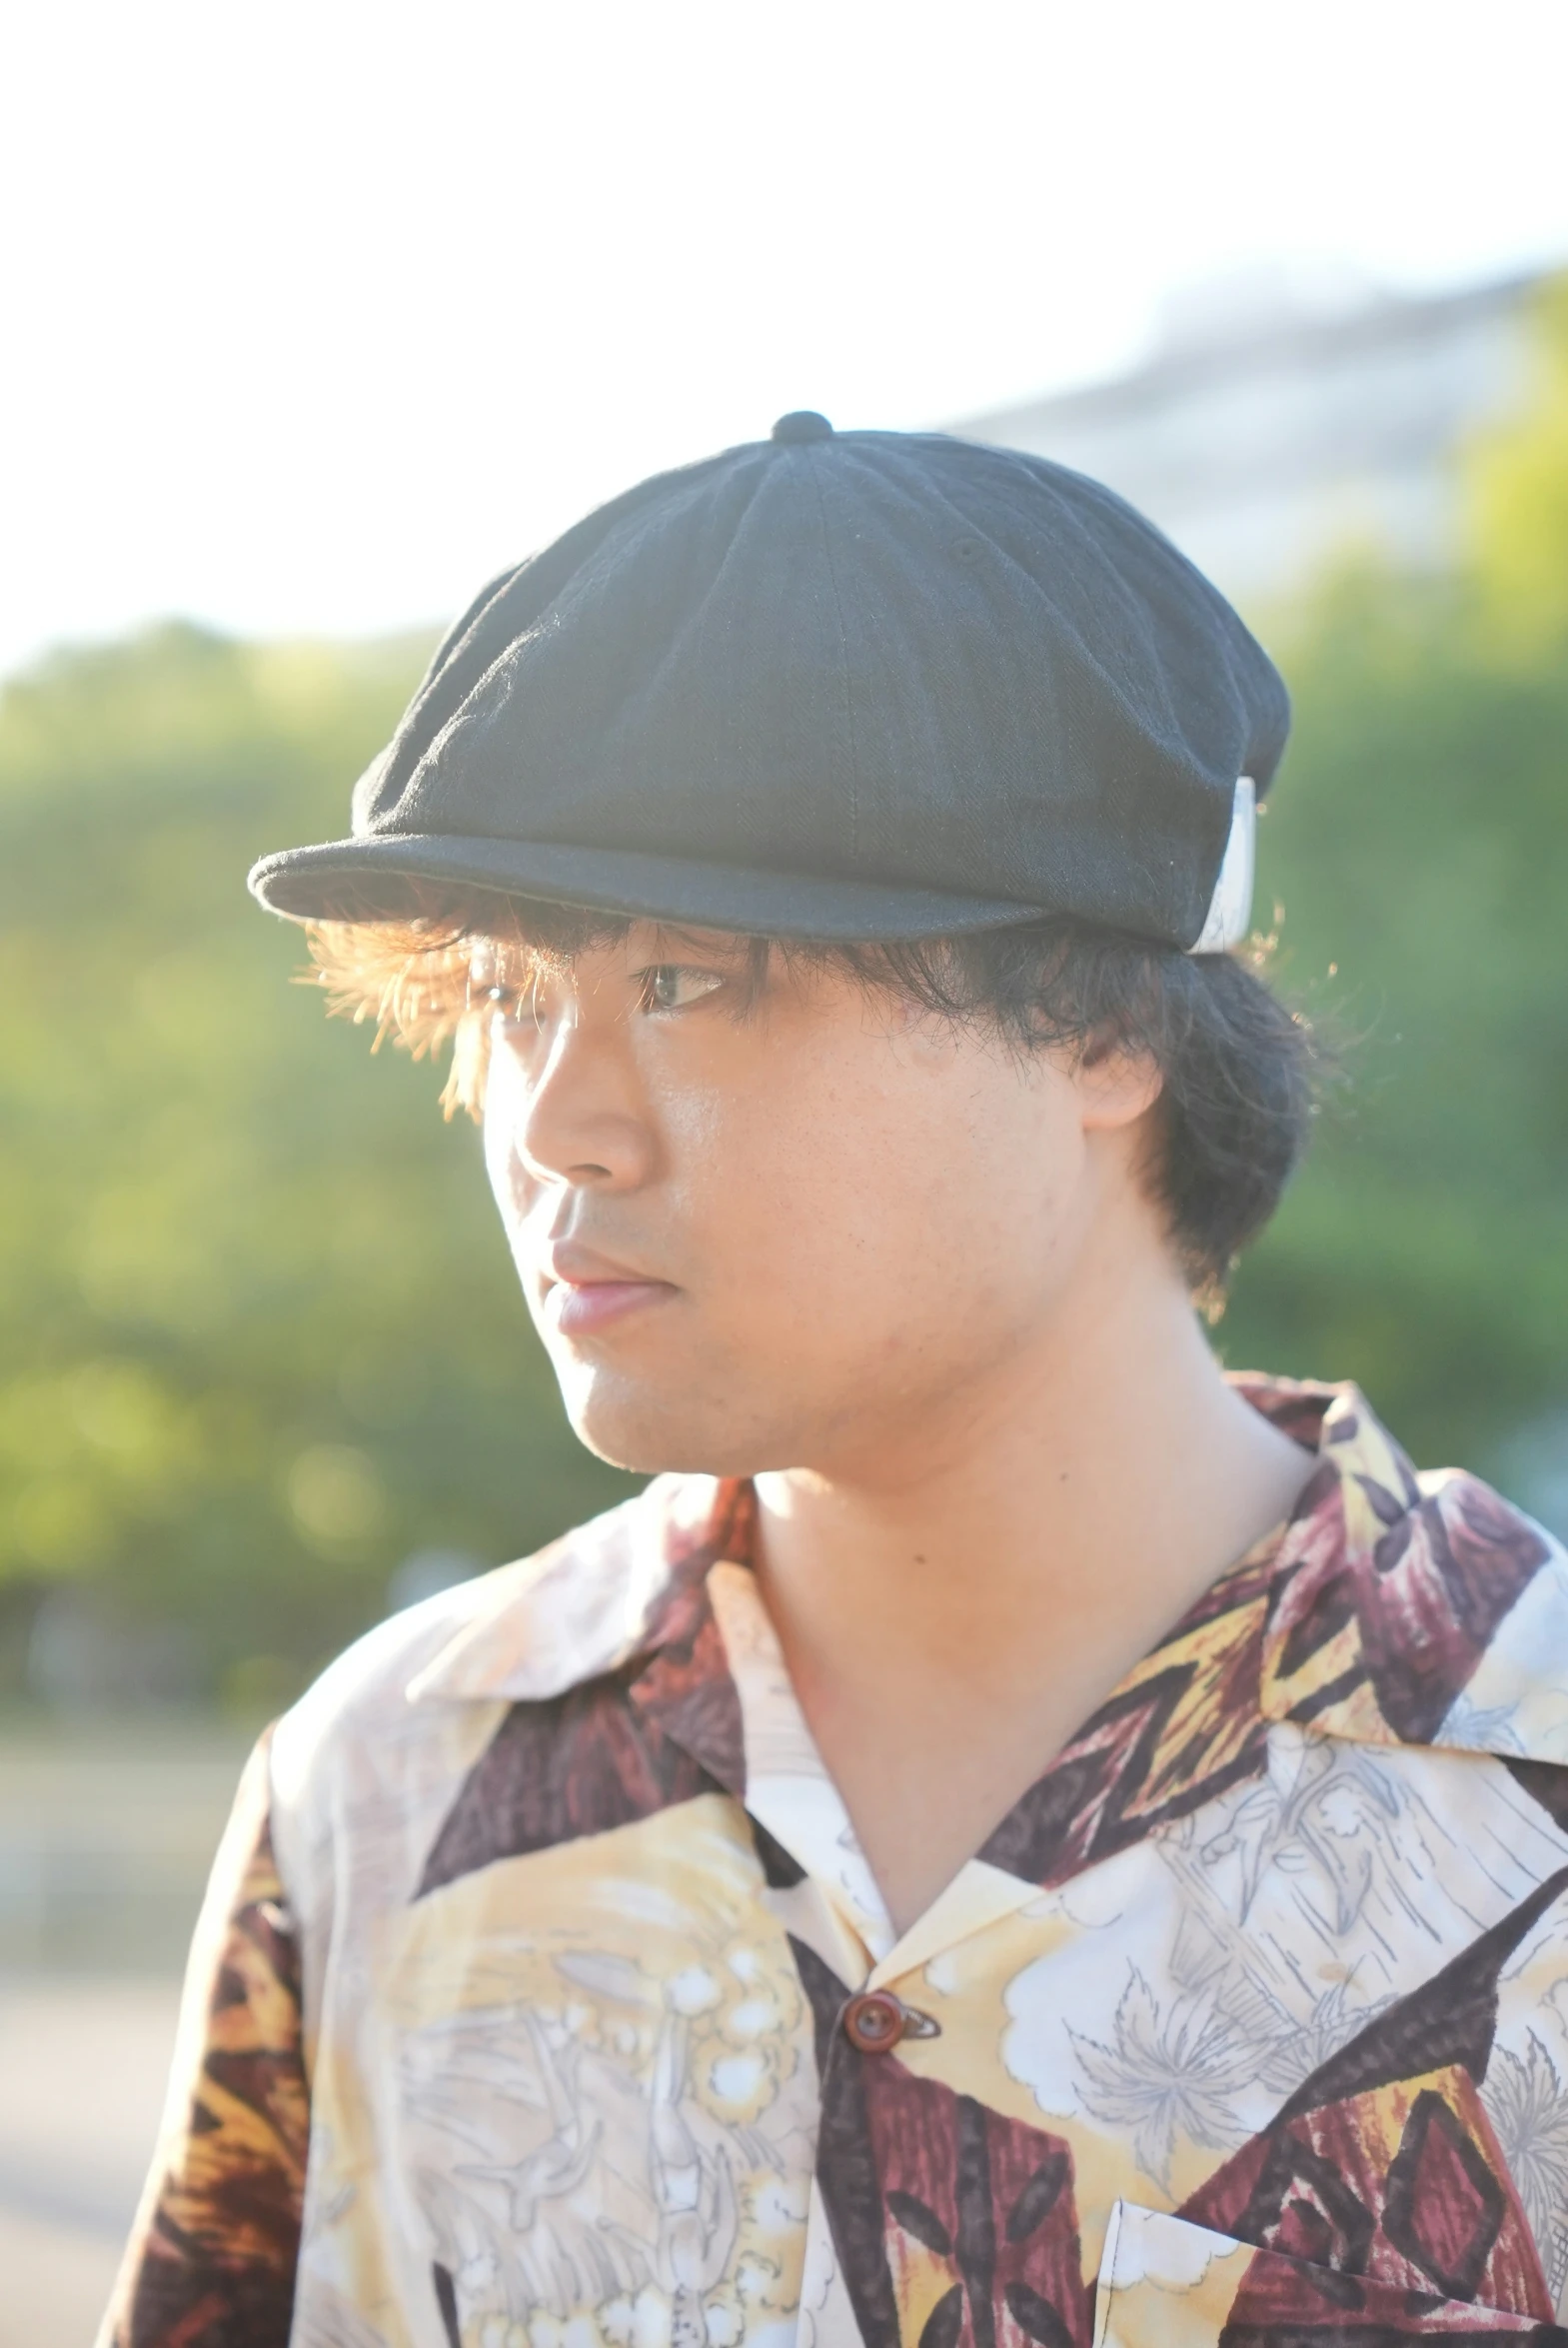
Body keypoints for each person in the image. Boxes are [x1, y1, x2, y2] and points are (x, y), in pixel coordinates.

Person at [102, 414, 1568, 2348]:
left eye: (694, 980)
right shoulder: (386, 1784)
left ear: (1105, 1019)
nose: (555, 1127)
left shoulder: (1527, 1806)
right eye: (510, 997)